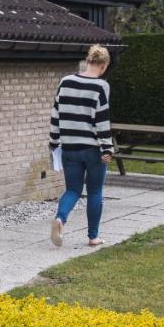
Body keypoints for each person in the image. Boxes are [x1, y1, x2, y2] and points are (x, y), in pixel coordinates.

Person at [48, 44, 114, 247]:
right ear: (103, 66)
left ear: (87, 61)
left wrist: (54, 141)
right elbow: (101, 120)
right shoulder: (101, 86)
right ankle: (93, 237)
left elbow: (56, 113)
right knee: (94, 192)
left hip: (69, 148)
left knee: (73, 190)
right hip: (93, 149)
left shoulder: (65, 82)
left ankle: (60, 219)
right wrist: (107, 148)